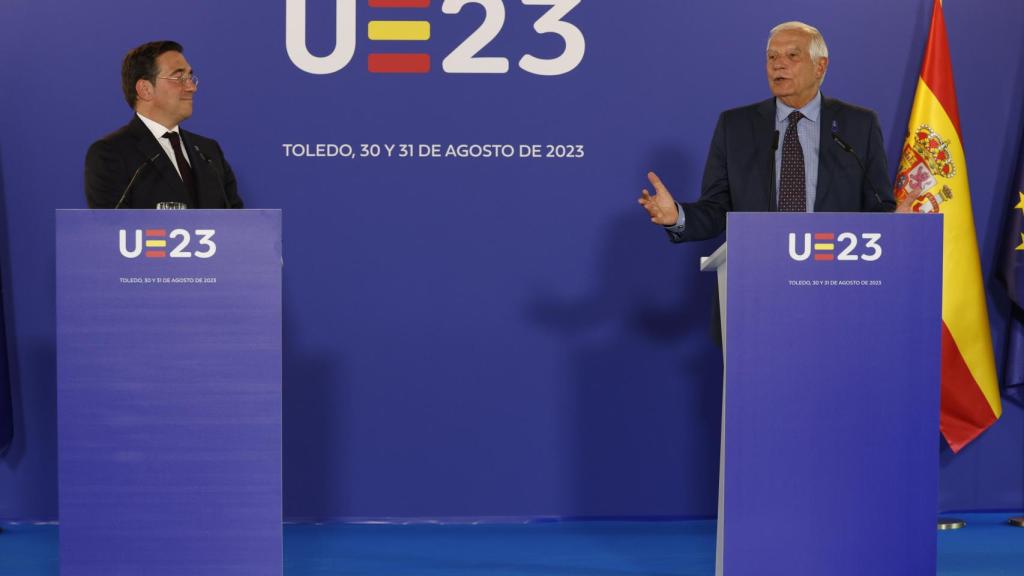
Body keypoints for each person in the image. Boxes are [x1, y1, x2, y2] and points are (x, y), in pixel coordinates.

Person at [638, 21, 894, 242]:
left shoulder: (859, 125)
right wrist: (677, 216)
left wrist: (898, 226)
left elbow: (877, 205)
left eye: (792, 56)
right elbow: (717, 208)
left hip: (834, 273)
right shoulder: (735, 126)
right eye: (772, 57)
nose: (778, 65)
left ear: (820, 66)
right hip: (759, 274)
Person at [85, 41, 243, 209]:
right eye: (178, 77)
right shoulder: (111, 153)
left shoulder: (209, 152)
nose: (191, 87)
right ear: (145, 89)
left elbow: (237, 224)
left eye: (190, 77)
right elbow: (110, 230)